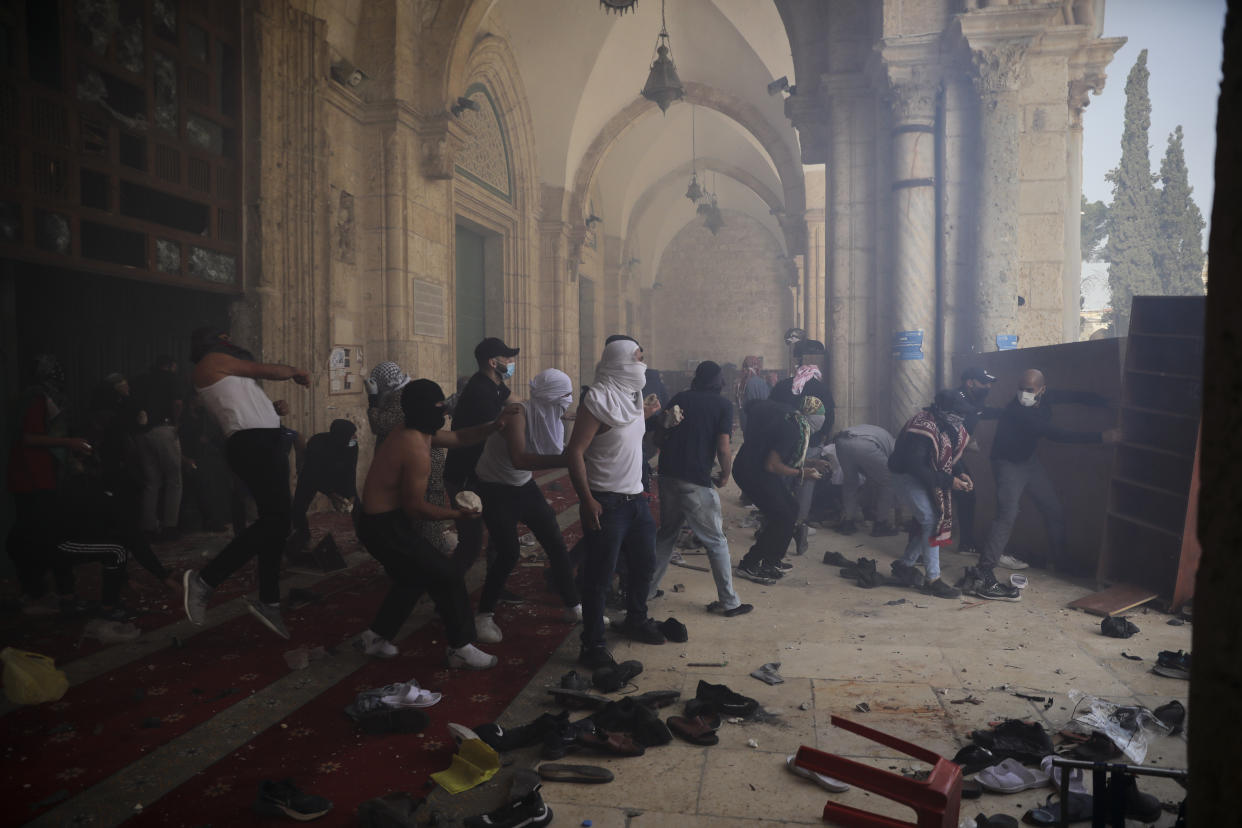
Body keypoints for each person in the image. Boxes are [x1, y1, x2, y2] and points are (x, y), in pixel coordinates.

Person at [353, 379, 502, 668]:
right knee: (446, 574)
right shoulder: (414, 448)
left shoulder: (416, 430)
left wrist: (493, 426)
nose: (444, 412)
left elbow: (459, 438)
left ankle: (375, 637)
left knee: (412, 577)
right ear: (423, 409)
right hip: (382, 527)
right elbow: (416, 507)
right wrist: (459, 516)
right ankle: (460, 646)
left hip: (384, 520)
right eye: (438, 407)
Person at [181, 328, 310, 639]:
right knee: (277, 520)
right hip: (252, 443)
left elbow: (246, 398)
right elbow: (261, 369)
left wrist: (271, 409)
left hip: (264, 439)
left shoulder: (226, 371)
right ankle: (205, 580)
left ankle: (269, 600)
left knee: (276, 524)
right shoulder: (211, 361)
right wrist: (294, 371)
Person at [971, 369, 1120, 600]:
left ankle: (1060, 563)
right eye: (1020, 389)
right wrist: (1101, 437)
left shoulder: (1047, 397)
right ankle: (984, 570)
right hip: (1007, 464)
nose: (1023, 394)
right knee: (1007, 515)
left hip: (1029, 462)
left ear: (1042, 390)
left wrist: (1102, 401)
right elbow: (1059, 435)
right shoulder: (1019, 412)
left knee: (1053, 509)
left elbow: (1072, 396)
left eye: (1029, 390)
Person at [567, 338, 666, 669]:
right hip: (607, 502)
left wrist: (648, 413)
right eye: (637, 357)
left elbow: (628, 432)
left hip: (636, 498)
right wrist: (586, 499)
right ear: (620, 361)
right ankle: (592, 644)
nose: (642, 363)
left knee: (643, 565)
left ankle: (636, 618)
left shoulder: (631, 396)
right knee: (599, 575)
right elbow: (575, 452)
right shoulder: (597, 399)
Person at [472, 368, 581, 643]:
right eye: (565, 395)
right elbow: (520, 459)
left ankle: (573, 606)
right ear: (551, 395)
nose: (568, 401)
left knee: (555, 543)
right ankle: (483, 615)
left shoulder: (549, 412)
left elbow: (551, 442)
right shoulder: (517, 414)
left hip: (522, 485)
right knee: (508, 552)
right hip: (495, 488)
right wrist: (570, 460)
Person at [650, 361, 751, 616]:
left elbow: (658, 436)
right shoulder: (722, 405)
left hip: (668, 474)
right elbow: (724, 446)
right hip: (694, 479)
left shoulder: (680, 397)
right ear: (719, 382)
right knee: (715, 541)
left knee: (667, 534)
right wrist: (726, 474)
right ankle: (729, 601)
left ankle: (646, 590)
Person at [5, 355, 96, 613]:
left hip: (32, 477)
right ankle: (61, 594)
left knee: (35, 536)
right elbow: (30, 438)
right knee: (52, 537)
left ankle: (36, 591)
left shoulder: (31, 397)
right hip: (35, 476)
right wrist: (70, 444)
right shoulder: (36, 398)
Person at [732, 396, 829, 584]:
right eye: (820, 416)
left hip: (757, 467)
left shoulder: (795, 423)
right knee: (781, 516)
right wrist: (802, 473)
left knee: (791, 508)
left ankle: (772, 561)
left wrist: (812, 462)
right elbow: (773, 465)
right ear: (812, 417)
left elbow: (782, 456)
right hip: (751, 472)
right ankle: (748, 565)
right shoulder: (792, 430)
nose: (822, 421)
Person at [887, 391, 974, 599]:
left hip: (926, 475)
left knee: (929, 520)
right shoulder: (922, 428)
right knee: (930, 519)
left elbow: (951, 454)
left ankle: (905, 565)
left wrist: (961, 473)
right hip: (906, 476)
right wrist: (949, 481)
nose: (961, 418)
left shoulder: (949, 425)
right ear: (945, 411)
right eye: (958, 413)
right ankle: (932, 579)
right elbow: (915, 466)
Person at [445, 337, 518, 580]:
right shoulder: (480, 389)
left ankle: (495, 584)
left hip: (482, 472)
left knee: (499, 533)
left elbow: (517, 404)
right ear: (492, 361)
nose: (510, 362)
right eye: (507, 358)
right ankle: (446, 587)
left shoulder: (495, 384)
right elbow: (498, 427)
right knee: (471, 542)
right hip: (466, 474)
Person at [132, 355, 185, 540]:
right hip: (164, 429)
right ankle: (170, 527)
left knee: (151, 482)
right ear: (170, 366)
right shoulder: (171, 378)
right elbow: (177, 403)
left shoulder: (139, 379)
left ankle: (148, 527)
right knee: (174, 480)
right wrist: (177, 425)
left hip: (141, 433)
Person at [951, 367, 1002, 554]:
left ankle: (965, 543)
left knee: (966, 493)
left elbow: (981, 412)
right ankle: (918, 550)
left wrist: (1006, 413)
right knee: (931, 501)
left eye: (989, 383)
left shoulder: (972, 401)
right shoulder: (956, 401)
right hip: (939, 454)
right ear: (970, 382)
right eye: (984, 383)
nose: (988, 387)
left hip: (951, 455)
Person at [833, 424, 898, 537]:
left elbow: (870, 472)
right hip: (864, 444)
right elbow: (890, 471)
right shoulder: (893, 448)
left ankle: (848, 523)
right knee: (889, 482)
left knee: (850, 483)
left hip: (841, 441)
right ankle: (881, 524)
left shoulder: (882, 435)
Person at [735, 355, 769, 431]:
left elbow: (738, 401)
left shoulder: (740, 382)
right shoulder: (760, 383)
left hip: (746, 421)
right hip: (756, 422)